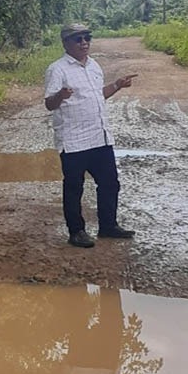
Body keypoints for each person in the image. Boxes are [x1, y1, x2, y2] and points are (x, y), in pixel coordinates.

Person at [44, 23, 137, 248]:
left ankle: (108, 226)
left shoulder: (94, 66)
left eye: (87, 38)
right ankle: (76, 232)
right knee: (74, 187)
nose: (84, 43)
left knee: (110, 183)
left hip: (99, 136)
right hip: (74, 139)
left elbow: (97, 95)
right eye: (78, 39)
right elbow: (49, 104)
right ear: (65, 43)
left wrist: (117, 85)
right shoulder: (57, 70)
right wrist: (61, 95)